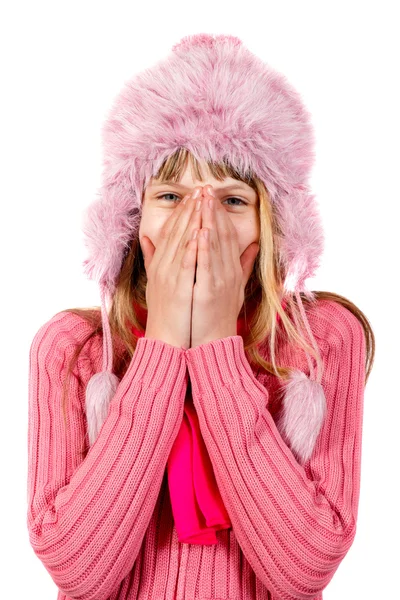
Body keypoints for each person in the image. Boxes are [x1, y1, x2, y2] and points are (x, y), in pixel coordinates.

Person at [27, 33, 375, 600]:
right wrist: (163, 345)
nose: (201, 224)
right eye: (170, 196)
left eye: (234, 200)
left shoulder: (321, 340)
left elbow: (305, 571)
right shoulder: (72, 350)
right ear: (133, 221)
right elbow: (79, 574)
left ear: (270, 229)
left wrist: (214, 345)